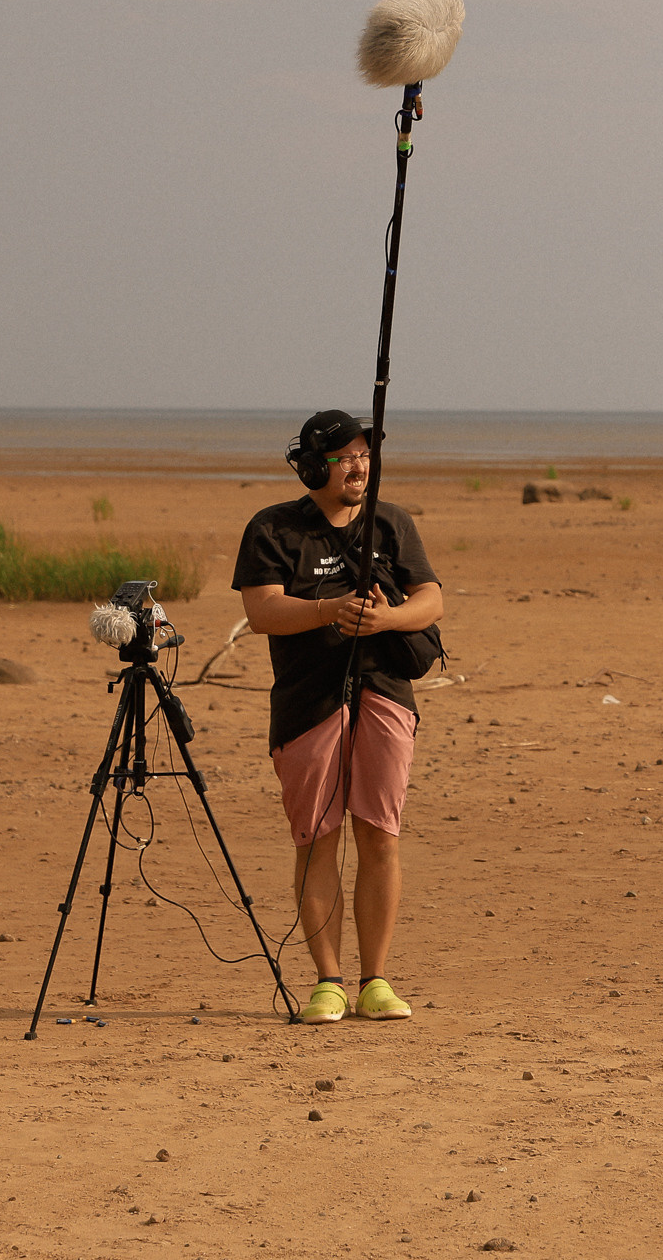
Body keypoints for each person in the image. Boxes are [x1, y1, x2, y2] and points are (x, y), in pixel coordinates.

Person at [233, 410, 444, 1025]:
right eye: (345, 456)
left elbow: (432, 598)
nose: (359, 467)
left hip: (384, 691)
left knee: (380, 833)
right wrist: (332, 611)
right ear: (312, 465)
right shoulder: (273, 528)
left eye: (365, 455)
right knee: (316, 838)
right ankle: (328, 981)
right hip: (308, 701)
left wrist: (383, 619)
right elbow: (263, 611)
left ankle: (376, 979)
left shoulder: (390, 522)